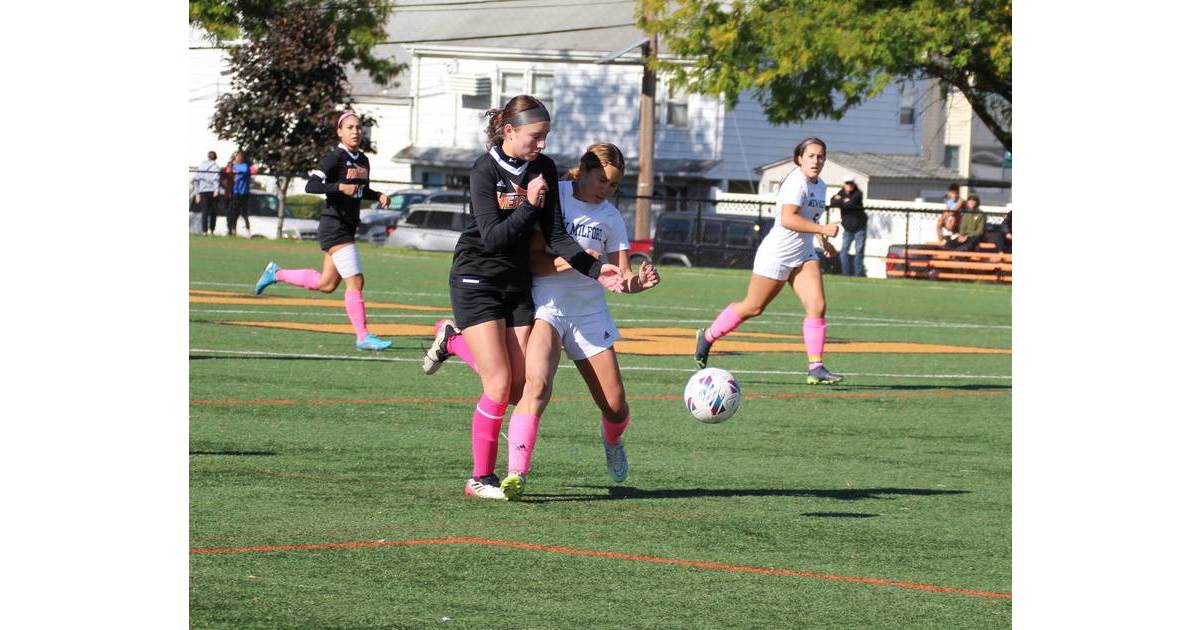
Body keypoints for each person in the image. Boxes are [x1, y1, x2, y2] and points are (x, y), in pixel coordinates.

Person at [425, 143, 660, 499]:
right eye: (601, 180)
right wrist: (581, 262)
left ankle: (612, 440)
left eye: (613, 186)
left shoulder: (611, 217)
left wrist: (637, 284)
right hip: (545, 306)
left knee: (614, 407)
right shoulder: (556, 193)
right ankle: (516, 474)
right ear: (583, 169)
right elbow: (533, 262)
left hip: (589, 313)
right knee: (532, 388)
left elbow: (620, 278)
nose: (606, 190)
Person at [693, 137, 844, 385]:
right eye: (811, 156)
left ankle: (816, 366)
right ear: (799, 158)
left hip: (804, 255)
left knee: (817, 306)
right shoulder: (797, 182)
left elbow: (811, 217)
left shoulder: (821, 185)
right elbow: (787, 218)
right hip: (777, 254)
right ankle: (708, 336)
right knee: (753, 307)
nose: (816, 160)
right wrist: (822, 228)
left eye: (820, 156)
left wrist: (822, 239)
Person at [252, 111, 394, 351]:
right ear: (340, 131)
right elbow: (311, 185)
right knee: (356, 282)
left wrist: (376, 195)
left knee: (327, 284)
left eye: (358, 127)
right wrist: (339, 186)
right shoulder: (334, 158)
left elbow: (360, 190)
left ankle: (276, 273)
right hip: (334, 226)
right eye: (349, 127)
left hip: (348, 226)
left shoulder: (363, 160)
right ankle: (362, 336)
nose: (355, 131)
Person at [829, 174, 866, 277]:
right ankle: (845, 274)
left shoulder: (858, 193)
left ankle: (858, 275)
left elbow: (850, 203)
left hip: (859, 227)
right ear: (844, 184)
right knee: (844, 251)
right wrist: (843, 201)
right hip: (848, 228)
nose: (849, 185)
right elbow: (832, 202)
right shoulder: (841, 192)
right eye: (847, 183)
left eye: (851, 183)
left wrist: (841, 200)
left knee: (858, 251)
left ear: (854, 184)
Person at [192, 151, 221, 235]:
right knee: (213, 212)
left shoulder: (201, 166)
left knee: (204, 211)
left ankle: (204, 231)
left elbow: (196, 180)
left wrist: (197, 194)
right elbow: (216, 179)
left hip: (203, 191)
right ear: (216, 158)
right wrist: (216, 190)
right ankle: (211, 230)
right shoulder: (216, 167)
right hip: (212, 191)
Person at [227, 151, 254, 236]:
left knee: (244, 213)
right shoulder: (234, 167)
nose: (237, 158)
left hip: (244, 193)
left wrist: (233, 165)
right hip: (236, 192)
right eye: (236, 156)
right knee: (234, 212)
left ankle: (248, 231)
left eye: (239, 156)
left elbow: (245, 170)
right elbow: (228, 171)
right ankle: (233, 229)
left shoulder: (244, 166)